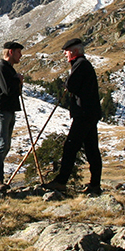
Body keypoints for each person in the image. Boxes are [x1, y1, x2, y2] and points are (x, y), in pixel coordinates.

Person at [44, 37, 103, 195]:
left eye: (67, 51)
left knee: (70, 147)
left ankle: (62, 181)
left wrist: (65, 83)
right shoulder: (84, 64)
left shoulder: (80, 64)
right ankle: (95, 185)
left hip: (83, 113)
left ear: (74, 51)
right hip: (90, 113)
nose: (65, 54)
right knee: (91, 150)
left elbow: (71, 85)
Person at [0, 40, 24, 191]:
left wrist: (17, 81)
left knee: (5, 145)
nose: (20, 55)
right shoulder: (2, 68)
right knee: (2, 144)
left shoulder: (9, 69)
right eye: (18, 52)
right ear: (10, 52)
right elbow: (8, 90)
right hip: (2, 110)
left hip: (8, 110)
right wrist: (18, 81)